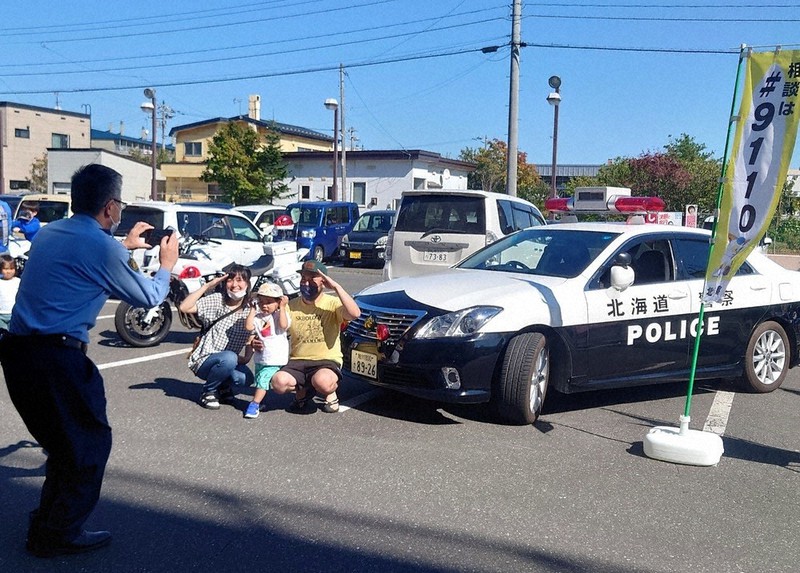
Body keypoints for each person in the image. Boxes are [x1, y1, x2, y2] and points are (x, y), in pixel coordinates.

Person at [0, 164, 179, 558]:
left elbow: (81, 258)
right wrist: (166, 264)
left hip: (18, 354)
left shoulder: (50, 234)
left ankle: (47, 526)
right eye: (120, 206)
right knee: (87, 448)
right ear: (111, 207)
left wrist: (125, 246)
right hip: (58, 360)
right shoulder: (103, 246)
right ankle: (57, 534)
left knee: (65, 448)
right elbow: (148, 297)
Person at [271, 260, 360, 414]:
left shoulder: (332, 303)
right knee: (278, 383)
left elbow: (354, 313)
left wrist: (337, 287)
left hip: (325, 360)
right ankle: (304, 390)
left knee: (322, 382)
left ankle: (330, 392)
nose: (306, 283)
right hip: (298, 360)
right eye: (303, 278)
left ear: (323, 282)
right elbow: (276, 329)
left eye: (312, 279)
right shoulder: (291, 305)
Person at [180, 264, 255, 410]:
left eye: (240, 280)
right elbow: (184, 307)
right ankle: (208, 391)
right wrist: (207, 286)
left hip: (228, 360)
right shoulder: (217, 300)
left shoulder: (250, 308)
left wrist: (246, 358)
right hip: (206, 360)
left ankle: (223, 387)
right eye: (230, 280)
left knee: (245, 379)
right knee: (230, 358)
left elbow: (252, 335)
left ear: (247, 283)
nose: (234, 285)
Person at [243, 282, 290, 419]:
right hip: (261, 357)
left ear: (278, 302)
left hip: (274, 358)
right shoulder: (258, 317)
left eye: (269, 302)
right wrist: (252, 309)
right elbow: (248, 327)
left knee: (262, 382)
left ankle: (254, 404)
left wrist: (282, 307)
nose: (264, 305)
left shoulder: (279, 316)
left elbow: (283, 325)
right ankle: (260, 402)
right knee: (260, 381)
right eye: (261, 302)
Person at [0, 253, 20, 329]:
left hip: (13, 314)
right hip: (1, 315)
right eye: (6, 269)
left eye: (11, 269)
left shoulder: (18, 281)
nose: (9, 271)